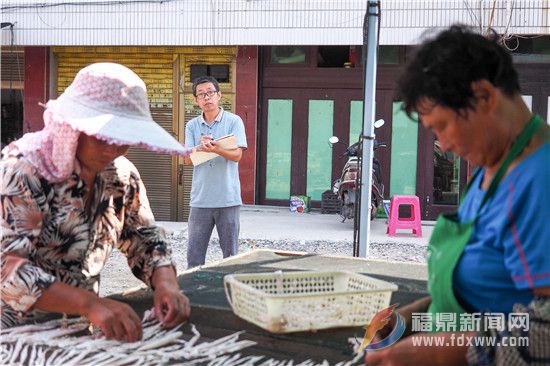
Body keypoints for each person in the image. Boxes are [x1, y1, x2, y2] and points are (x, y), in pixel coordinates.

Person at [365, 25, 549, 365]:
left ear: (484, 96)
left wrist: (434, 352)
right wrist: (411, 318)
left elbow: (545, 331)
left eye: (442, 126)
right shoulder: (488, 170)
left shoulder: (540, 180)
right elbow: (478, 296)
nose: (443, 145)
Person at [0, 62, 193, 342]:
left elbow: (144, 238)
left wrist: (166, 282)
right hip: (15, 339)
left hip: (78, 337)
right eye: (104, 138)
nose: (114, 149)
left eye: (124, 139)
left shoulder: (121, 175)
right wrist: (90, 304)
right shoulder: (23, 172)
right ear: (73, 127)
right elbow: (8, 272)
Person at [184, 76, 247, 268]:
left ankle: (229, 293)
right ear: (196, 100)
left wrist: (216, 148)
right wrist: (201, 148)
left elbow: (237, 155)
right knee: (194, 256)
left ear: (219, 95)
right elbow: (187, 160)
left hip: (228, 199)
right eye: (201, 94)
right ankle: (193, 295)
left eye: (210, 93)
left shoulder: (234, 121)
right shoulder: (192, 126)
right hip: (200, 200)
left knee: (230, 256)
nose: (206, 98)